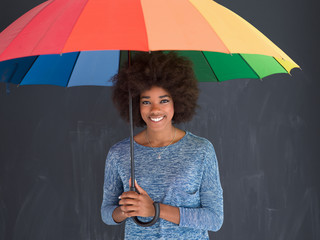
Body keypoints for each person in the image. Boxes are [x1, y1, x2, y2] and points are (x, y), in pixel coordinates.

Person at [101, 51, 223, 239]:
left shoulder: (201, 150)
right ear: (135, 104)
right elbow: (107, 213)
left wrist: (155, 210)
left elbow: (214, 219)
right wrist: (124, 210)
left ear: (178, 101)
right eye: (146, 101)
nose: (155, 109)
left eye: (164, 100)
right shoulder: (120, 153)